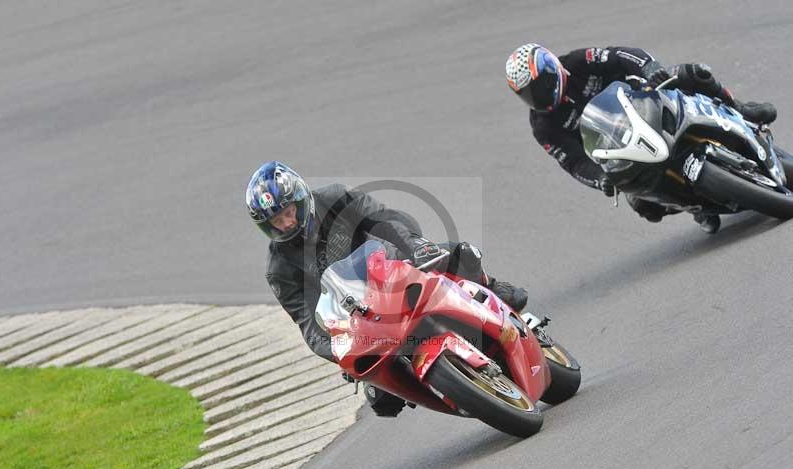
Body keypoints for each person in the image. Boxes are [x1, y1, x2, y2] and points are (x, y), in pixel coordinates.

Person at [245, 161, 528, 416]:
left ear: (299, 199)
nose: (287, 223)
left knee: (459, 254)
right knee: (383, 400)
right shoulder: (279, 268)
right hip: (362, 319)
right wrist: (340, 351)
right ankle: (452, 387)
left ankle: (488, 287)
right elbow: (307, 322)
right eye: (276, 221)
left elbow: (385, 219)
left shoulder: (335, 198)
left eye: (288, 212)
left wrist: (414, 247)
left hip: (393, 271)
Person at [505, 43, 777, 234]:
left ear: (552, 68)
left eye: (539, 86)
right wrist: (600, 178)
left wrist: (650, 69)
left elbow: (623, 55)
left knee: (695, 74)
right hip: (624, 149)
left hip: (646, 102)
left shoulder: (579, 61)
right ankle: (696, 205)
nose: (537, 97)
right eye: (528, 94)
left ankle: (741, 109)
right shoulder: (543, 126)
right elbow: (573, 163)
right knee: (643, 205)